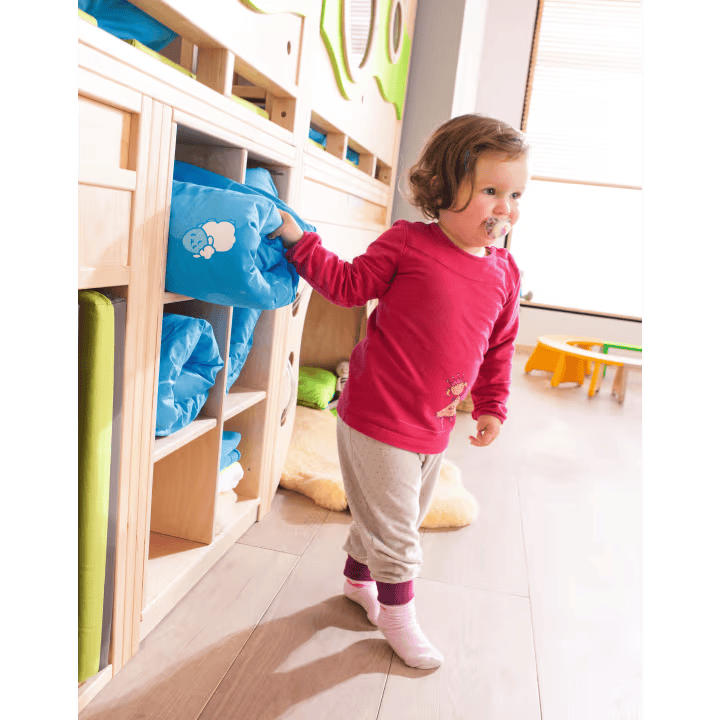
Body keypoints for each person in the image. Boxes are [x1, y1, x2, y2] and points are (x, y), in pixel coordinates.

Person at [269, 114, 530, 669]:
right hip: (377, 413)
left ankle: (356, 581)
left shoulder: (506, 273)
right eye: (490, 191)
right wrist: (300, 243)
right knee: (396, 529)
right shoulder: (408, 244)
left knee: (401, 513)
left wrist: (492, 405)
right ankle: (398, 614)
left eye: (515, 195)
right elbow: (347, 285)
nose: (505, 208)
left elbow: (500, 346)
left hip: (436, 422)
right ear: (444, 186)